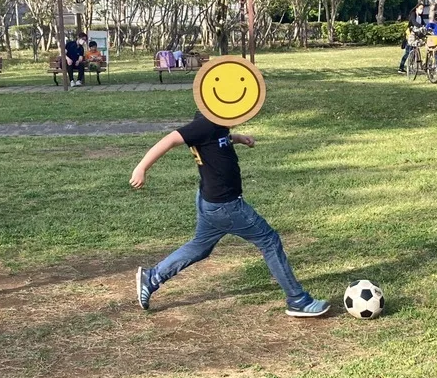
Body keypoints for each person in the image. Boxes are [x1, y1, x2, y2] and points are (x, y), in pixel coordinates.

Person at [130, 111, 331, 318]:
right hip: (225, 205)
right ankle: (297, 300)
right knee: (269, 240)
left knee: (200, 246)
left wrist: (238, 139)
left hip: (210, 200)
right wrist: (141, 168)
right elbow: (170, 139)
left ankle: (152, 277)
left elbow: (217, 141)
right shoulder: (206, 124)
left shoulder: (215, 123)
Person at [399, 4, 425, 74]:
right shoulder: (413, 14)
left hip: (417, 34)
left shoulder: (420, 17)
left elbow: (423, 23)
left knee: (416, 48)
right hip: (411, 34)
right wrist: (421, 26)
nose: (421, 10)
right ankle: (401, 67)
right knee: (408, 51)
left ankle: (415, 65)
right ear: (416, 8)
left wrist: (425, 27)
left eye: (422, 9)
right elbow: (414, 22)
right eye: (420, 8)